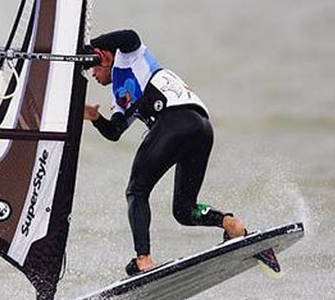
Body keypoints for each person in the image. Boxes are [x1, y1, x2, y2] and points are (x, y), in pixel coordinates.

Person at [82, 29, 254, 276]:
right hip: (201, 128)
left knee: (136, 191)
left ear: (103, 57)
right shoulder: (119, 95)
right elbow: (115, 131)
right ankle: (231, 224)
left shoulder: (129, 56)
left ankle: (144, 260)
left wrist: (88, 48)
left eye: (93, 68)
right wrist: (96, 118)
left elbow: (129, 35)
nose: (93, 75)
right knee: (184, 210)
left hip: (173, 121)